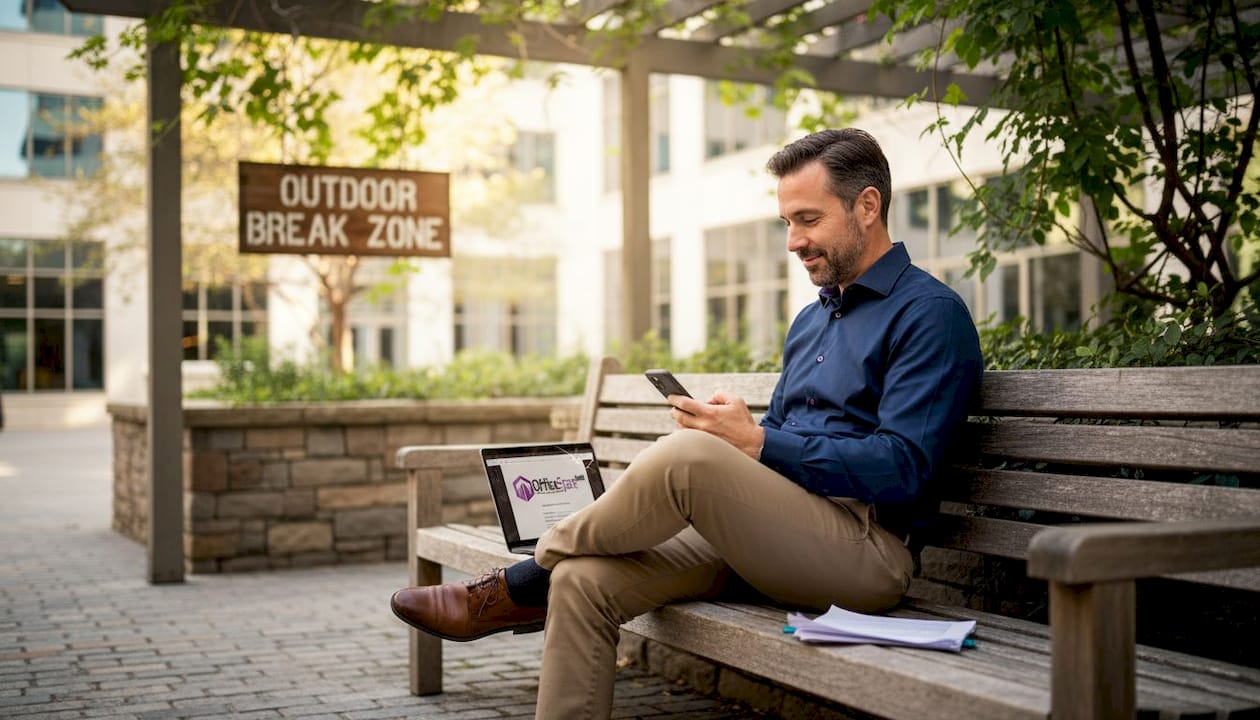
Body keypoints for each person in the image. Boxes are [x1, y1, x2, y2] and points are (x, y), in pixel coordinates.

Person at [391, 128, 984, 719]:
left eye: (807, 219)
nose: (793, 241)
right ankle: (547, 576)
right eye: (785, 223)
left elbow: (905, 468)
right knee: (582, 580)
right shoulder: (812, 320)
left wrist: (755, 443)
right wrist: (745, 434)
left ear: (868, 206)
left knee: (687, 458)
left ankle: (519, 582)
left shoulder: (929, 315)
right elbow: (780, 443)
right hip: (771, 539)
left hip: (866, 556)